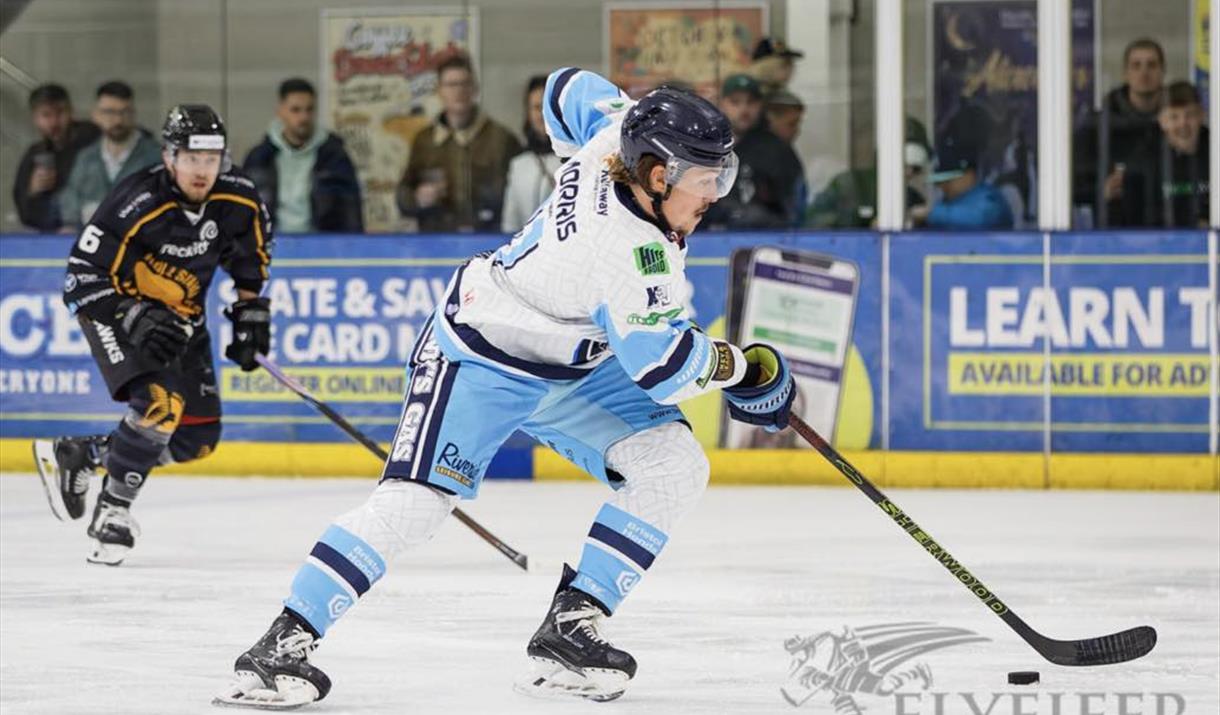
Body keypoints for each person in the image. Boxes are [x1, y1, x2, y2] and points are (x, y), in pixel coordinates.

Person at [215, 68, 794, 709]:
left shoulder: (611, 134)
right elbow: (665, 368)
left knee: (672, 467)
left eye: (723, 173)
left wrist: (583, 145)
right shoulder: (630, 254)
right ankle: (280, 644)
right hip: (481, 355)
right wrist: (749, 371)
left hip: (574, 360)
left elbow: (564, 86)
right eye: (704, 177)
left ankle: (569, 631)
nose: (717, 192)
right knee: (414, 505)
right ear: (657, 174)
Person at [32, 105, 273, 566]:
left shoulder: (236, 195)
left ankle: (85, 454)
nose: (203, 170)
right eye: (191, 158)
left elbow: (250, 252)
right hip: (113, 311)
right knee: (161, 404)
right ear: (168, 157)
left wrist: (250, 311)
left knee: (195, 439)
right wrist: (133, 315)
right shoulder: (135, 202)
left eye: (212, 159)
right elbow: (79, 278)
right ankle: (113, 513)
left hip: (182, 320)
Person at [397, 53, 522, 232]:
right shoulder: (424, 141)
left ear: (475, 89)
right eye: (451, 85)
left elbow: (520, 195)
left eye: (465, 84)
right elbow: (402, 197)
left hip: (490, 242)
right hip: (436, 242)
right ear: (439, 91)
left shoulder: (502, 139)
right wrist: (419, 198)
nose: (459, 91)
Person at [243, 78, 363, 234]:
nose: (304, 117)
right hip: (270, 246)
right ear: (280, 111)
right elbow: (243, 210)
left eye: (309, 109)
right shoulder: (258, 158)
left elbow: (351, 211)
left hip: (323, 247)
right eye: (296, 110)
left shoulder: (335, 157)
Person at [1072, 38, 1166, 227]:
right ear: (1125, 73)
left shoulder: (1180, 124)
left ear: (1162, 72)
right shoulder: (1097, 127)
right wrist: (1101, 191)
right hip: (1113, 239)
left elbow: (1200, 183)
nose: (1144, 72)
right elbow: (1070, 187)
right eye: (1136, 65)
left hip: (1173, 234)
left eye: (1152, 65)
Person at [703, 74, 804, 229]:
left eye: (751, 102)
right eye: (735, 102)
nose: (744, 109)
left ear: (760, 105)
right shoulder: (704, 147)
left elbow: (793, 210)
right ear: (722, 104)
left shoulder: (777, 150)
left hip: (764, 239)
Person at [58, 81, 161, 230]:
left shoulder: (155, 156)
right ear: (96, 114)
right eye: (109, 112)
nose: (118, 120)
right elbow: (70, 203)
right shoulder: (86, 158)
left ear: (133, 113)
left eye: (124, 112)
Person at [807, 117, 931, 229]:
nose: (909, 172)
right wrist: (864, 226)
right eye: (903, 165)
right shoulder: (850, 185)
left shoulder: (914, 199)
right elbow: (812, 224)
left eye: (916, 168)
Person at [11, 84, 100, 232]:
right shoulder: (35, 153)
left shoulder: (92, 139)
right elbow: (25, 213)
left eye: (59, 113)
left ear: (71, 111)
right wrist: (33, 191)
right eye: (46, 115)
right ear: (35, 118)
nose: (54, 122)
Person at [1122, 81, 1210, 227]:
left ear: (1201, 115)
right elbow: (1134, 222)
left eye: (1190, 115)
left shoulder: (1216, 152)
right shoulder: (1141, 163)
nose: (1183, 123)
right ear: (1162, 121)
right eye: (1174, 117)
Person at [911, 134, 1013, 231]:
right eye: (939, 181)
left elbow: (978, 218)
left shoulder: (989, 199)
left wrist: (930, 214)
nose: (942, 186)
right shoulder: (948, 203)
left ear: (969, 175)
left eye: (948, 180)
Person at [501, 74, 562, 232]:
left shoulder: (577, 159)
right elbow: (510, 223)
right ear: (528, 114)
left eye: (547, 107)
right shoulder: (519, 164)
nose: (542, 114)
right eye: (536, 107)